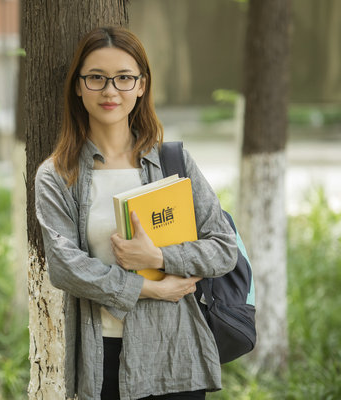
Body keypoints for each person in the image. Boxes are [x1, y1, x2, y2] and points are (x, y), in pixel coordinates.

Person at [34, 26, 238, 400]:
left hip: (176, 355)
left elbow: (224, 247)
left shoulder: (173, 161)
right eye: (96, 78)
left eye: (124, 78)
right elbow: (65, 267)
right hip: (105, 356)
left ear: (142, 85)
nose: (111, 91)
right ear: (78, 86)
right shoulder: (58, 175)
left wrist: (158, 256)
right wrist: (151, 289)